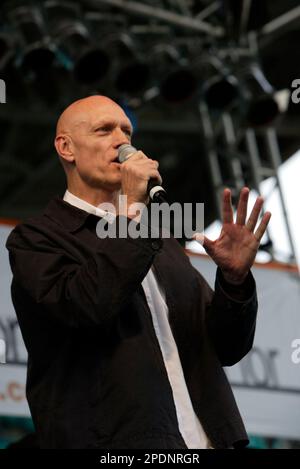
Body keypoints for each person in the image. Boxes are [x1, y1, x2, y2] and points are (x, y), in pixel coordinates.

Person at [6, 95, 271, 449]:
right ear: (66, 148)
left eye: (127, 131)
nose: (122, 140)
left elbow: (225, 347)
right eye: (104, 130)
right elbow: (87, 304)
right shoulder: (36, 239)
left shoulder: (159, 241)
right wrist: (131, 209)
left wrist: (235, 283)